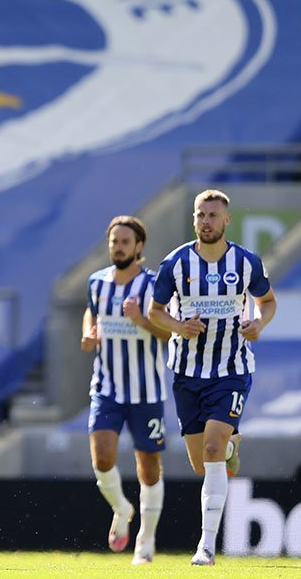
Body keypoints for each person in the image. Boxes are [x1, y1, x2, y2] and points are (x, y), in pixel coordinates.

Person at [148, 190, 277, 566]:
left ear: (226, 220)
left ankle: (206, 545)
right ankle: (232, 448)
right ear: (194, 220)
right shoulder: (175, 263)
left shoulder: (246, 261)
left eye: (212, 215)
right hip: (187, 372)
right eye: (200, 215)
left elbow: (267, 301)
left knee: (212, 449)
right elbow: (155, 312)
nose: (206, 221)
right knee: (201, 464)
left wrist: (258, 323)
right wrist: (178, 326)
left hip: (231, 371)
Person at [80, 216, 172, 565]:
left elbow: (171, 333)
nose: (117, 247)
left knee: (148, 467)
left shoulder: (153, 286)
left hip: (146, 391)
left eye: (124, 241)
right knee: (102, 458)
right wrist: (89, 332)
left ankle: (145, 541)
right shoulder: (97, 282)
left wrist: (142, 321)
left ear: (139, 247)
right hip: (107, 387)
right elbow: (92, 312)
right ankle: (122, 508)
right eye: (113, 241)